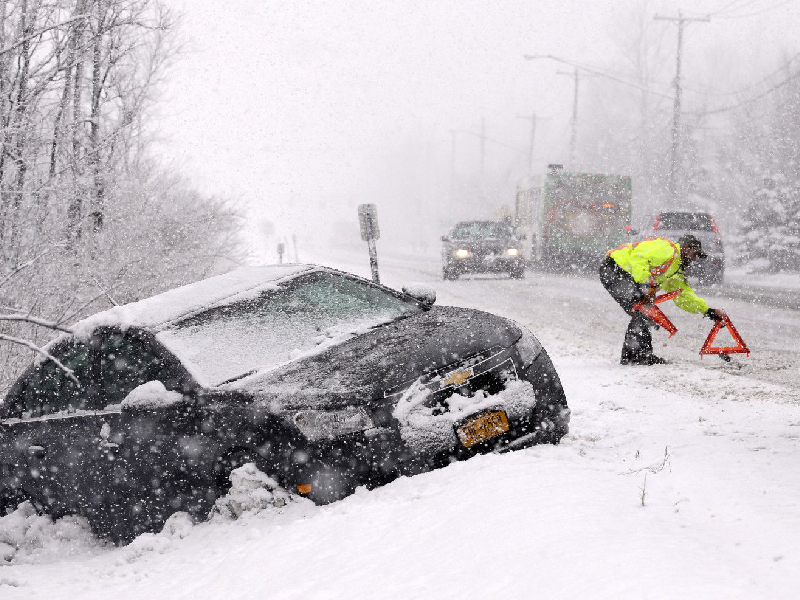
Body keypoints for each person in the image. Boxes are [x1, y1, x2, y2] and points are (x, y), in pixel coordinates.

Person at [599, 234, 724, 365]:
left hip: (622, 274)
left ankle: (634, 356)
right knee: (643, 310)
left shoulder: (675, 270)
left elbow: (683, 297)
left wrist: (708, 311)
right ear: (686, 248)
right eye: (695, 254)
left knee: (643, 311)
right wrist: (645, 285)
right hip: (614, 268)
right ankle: (638, 356)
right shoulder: (668, 250)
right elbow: (638, 257)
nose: (694, 259)